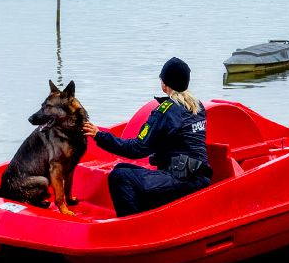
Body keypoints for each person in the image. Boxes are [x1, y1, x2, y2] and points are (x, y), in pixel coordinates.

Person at [82, 57, 211, 217]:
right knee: (122, 168)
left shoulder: (165, 111)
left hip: (183, 181)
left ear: (164, 85)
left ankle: (133, 228)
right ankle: (151, 214)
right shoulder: (198, 106)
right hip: (200, 178)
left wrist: (99, 136)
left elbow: (137, 148)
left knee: (119, 176)